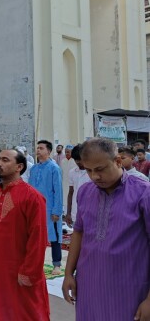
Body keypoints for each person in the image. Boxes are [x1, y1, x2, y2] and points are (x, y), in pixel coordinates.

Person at [61, 138, 150, 321]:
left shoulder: (143, 193)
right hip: (89, 285)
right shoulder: (85, 191)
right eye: (89, 170)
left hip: (129, 288)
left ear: (118, 161)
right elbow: (79, 232)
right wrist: (68, 273)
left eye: (100, 169)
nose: (94, 176)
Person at [0, 149, 50, 320]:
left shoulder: (33, 197)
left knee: (26, 311)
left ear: (19, 166)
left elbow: (38, 238)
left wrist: (29, 271)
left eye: (5, 160)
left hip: (20, 269)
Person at [28, 140, 63, 275]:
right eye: (37, 148)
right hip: (36, 209)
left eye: (41, 148)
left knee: (54, 236)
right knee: (36, 237)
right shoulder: (34, 169)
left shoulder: (54, 168)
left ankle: (57, 264)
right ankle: (37, 263)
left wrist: (57, 211)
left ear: (48, 151)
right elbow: (30, 190)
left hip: (50, 208)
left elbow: (58, 191)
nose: (38, 150)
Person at [65, 145, 91, 227]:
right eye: (76, 160)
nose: (78, 162)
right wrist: (68, 213)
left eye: (80, 159)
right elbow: (71, 192)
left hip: (90, 211)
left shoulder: (93, 172)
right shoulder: (72, 172)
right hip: (76, 210)